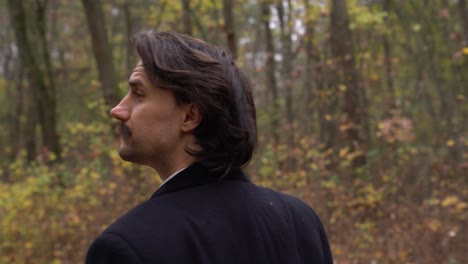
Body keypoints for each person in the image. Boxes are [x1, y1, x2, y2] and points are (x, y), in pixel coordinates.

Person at [85, 31, 333, 264]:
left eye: (138, 94)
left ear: (190, 116)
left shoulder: (126, 247)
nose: (117, 110)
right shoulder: (300, 222)